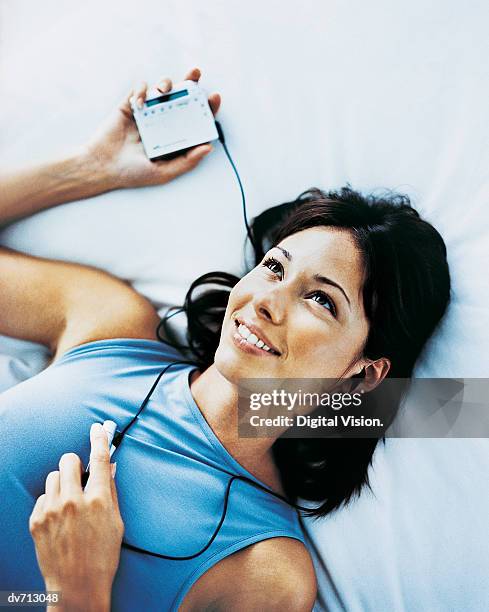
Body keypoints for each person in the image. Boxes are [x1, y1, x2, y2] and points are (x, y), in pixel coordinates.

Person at [0, 67, 451, 611]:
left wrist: (77, 593)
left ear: (362, 373)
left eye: (321, 300)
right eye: (274, 268)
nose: (266, 300)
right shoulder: (110, 327)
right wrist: (90, 169)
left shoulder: (264, 574)